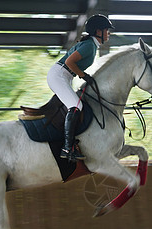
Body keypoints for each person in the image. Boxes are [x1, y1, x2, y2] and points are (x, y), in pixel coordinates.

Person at [47, 14, 114, 162]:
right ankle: (67, 148)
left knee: (77, 105)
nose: (109, 33)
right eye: (107, 30)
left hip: (64, 76)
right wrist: (84, 76)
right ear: (98, 31)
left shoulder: (91, 45)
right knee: (76, 105)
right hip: (59, 75)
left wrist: (83, 76)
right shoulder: (89, 45)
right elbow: (70, 62)